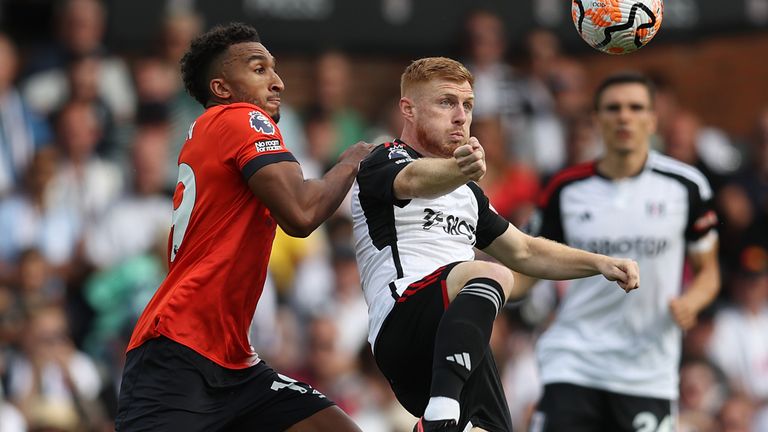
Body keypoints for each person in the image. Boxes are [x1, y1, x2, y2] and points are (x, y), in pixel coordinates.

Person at [351, 57, 640, 432]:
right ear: (408, 108)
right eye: (446, 103)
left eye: (467, 106)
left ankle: (440, 417)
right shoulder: (384, 158)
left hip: (459, 341)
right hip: (403, 321)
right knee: (488, 271)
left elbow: (525, 251)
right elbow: (412, 181)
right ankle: (439, 412)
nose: (460, 116)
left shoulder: (469, 194)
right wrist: (460, 169)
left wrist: (599, 263)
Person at [115, 23, 371, 431]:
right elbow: (302, 213)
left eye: (274, 69)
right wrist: (352, 161)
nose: (278, 82)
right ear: (221, 88)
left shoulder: (211, 133)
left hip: (232, 361)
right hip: (180, 354)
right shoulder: (241, 118)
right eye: (259, 69)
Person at [527, 72, 721, 431]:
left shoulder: (686, 186)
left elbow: (709, 271)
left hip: (648, 369)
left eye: (635, 108)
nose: (624, 117)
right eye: (613, 108)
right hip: (575, 359)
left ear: (652, 119)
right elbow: (529, 260)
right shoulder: (564, 189)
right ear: (597, 119)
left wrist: (691, 302)